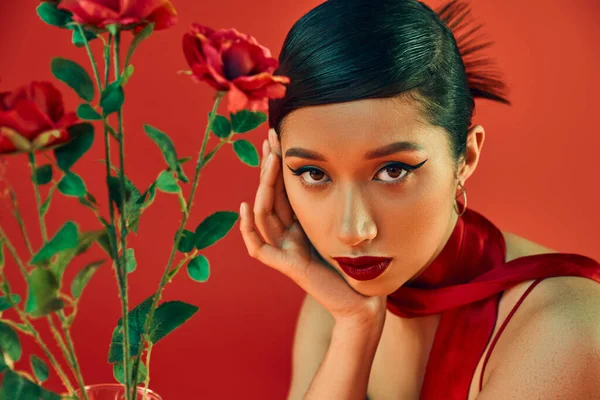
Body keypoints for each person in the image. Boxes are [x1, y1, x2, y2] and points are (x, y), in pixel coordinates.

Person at [238, 0, 600, 398]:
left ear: (467, 156)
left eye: (393, 171)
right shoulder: (335, 296)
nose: (352, 232)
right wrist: (355, 327)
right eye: (314, 173)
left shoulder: (566, 327)